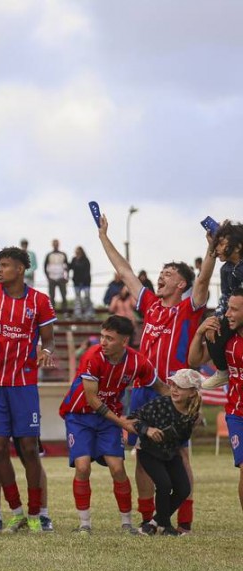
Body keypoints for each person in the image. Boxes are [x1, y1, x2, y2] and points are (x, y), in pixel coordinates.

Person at [98, 212, 212, 532]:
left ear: (181, 284)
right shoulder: (149, 303)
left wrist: (211, 251)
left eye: (169, 273)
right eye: (162, 271)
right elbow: (124, 271)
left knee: (179, 454)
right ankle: (148, 520)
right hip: (145, 390)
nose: (161, 275)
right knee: (142, 454)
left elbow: (203, 280)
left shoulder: (190, 309)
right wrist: (104, 236)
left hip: (174, 392)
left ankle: (184, 522)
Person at [0, 245, 56, 533]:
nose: (0, 270)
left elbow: (48, 338)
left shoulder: (39, 301)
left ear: (20, 269)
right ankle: (15, 513)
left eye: (5, 265)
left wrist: (46, 351)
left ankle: (35, 513)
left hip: (23, 384)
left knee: (28, 449)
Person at [58, 316, 162, 535]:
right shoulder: (92, 357)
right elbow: (93, 400)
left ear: (124, 342)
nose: (102, 342)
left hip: (108, 420)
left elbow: (159, 386)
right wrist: (123, 422)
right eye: (102, 336)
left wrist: (185, 401)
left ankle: (127, 523)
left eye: (109, 338)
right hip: (79, 417)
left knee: (117, 468)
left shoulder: (137, 362)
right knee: (83, 467)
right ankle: (84, 524)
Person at [130, 369, 202, 535]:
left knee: (183, 488)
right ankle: (165, 526)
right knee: (164, 484)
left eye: (181, 387)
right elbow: (133, 418)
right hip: (148, 452)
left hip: (170, 454)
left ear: (192, 393)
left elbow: (182, 437)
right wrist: (147, 429)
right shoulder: (160, 403)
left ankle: (154, 523)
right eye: (173, 385)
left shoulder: (191, 415)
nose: (175, 389)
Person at [189, 294, 243, 516]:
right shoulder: (225, 340)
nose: (227, 314)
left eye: (234, 310)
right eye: (227, 308)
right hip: (237, 413)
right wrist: (201, 331)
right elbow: (194, 361)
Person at [199, 222, 243, 390]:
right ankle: (223, 372)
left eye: (221, 243)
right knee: (212, 330)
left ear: (238, 247)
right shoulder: (226, 270)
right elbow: (225, 296)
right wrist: (217, 318)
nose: (216, 248)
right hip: (233, 314)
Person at [44, 239, 69, 314]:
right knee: (52, 296)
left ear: (58, 244)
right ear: (52, 245)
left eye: (56, 244)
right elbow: (45, 267)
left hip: (61, 278)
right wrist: (48, 277)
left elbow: (67, 267)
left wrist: (67, 277)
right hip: (52, 278)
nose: (55, 245)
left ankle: (65, 311)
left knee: (63, 295)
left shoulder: (63, 254)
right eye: (54, 244)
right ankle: (52, 312)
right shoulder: (49, 255)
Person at [69, 246, 93, 320]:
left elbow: (87, 271)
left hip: (85, 282)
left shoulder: (85, 260)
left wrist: (83, 280)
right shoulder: (74, 259)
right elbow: (70, 267)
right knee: (77, 299)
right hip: (76, 282)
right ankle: (78, 314)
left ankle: (88, 313)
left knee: (87, 298)